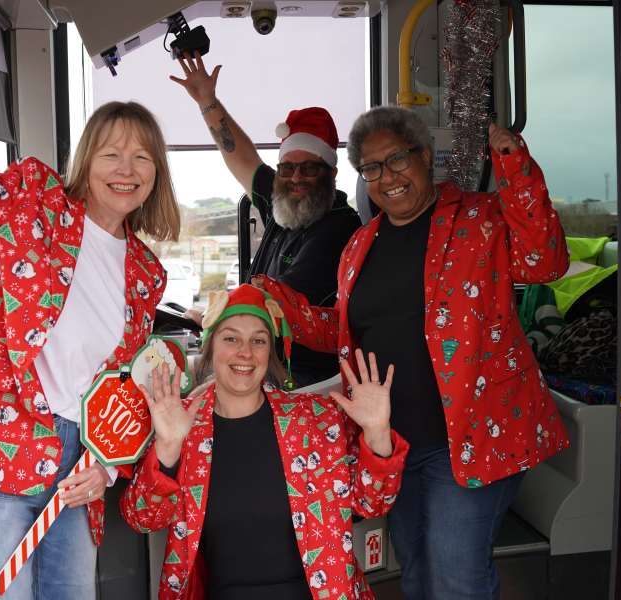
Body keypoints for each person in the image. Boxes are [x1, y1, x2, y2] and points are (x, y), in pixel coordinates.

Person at [255, 106, 571, 600]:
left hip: (469, 437)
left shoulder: (481, 217)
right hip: (395, 443)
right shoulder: (360, 244)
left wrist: (514, 162)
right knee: (417, 570)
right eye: (373, 168)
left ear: (425, 157)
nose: (388, 176)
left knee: (455, 575)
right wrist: (277, 302)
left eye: (397, 159)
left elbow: (545, 259)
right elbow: (340, 331)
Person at [0, 22, 180, 599]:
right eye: (112, 152)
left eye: (142, 157)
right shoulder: (31, 201)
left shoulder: (146, 272)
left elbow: (129, 389)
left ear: (155, 175)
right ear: (88, 159)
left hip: (78, 468)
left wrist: (108, 468)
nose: (126, 168)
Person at [120, 284, 408, 599]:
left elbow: (373, 503)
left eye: (258, 340)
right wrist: (168, 449)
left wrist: (378, 431)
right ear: (210, 346)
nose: (245, 352)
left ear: (269, 353)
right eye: (231, 338)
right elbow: (142, 518)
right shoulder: (180, 420)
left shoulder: (315, 419)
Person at [172, 53, 360, 387]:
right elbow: (241, 156)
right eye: (287, 167)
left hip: (303, 380)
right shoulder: (284, 205)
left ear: (331, 173)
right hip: (267, 363)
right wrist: (207, 101)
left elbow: (271, 302)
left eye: (309, 168)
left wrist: (210, 317)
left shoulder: (338, 228)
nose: (296, 177)